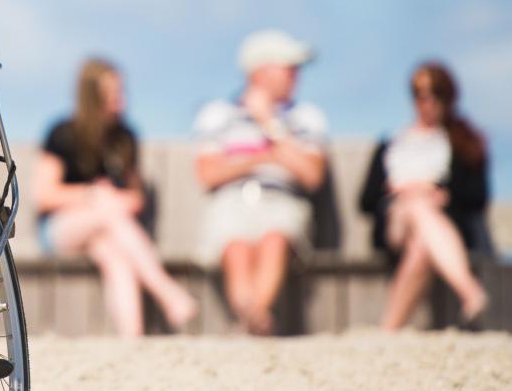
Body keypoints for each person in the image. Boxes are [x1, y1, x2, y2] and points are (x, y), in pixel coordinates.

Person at [34, 58, 198, 337]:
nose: (120, 100)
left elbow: (136, 198)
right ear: (91, 96)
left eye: (121, 92)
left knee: (112, 254)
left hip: (109, 231)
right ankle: (168, 292)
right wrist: (92, 195)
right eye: (111, 93)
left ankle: (131, 340)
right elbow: (45, 195)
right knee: (106, 209)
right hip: (60, 230)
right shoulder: (63, 133)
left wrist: (112, 200)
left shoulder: (125, 137)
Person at [193, 30, 327, 336]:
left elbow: (312, 175)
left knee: (275, 239)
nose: (297, 75)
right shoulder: (218, 114)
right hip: (231, 201)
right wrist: (266, 158)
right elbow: (207, 175)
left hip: (283, 201)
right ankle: (256, 319)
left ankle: (252, 319)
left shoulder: (306, 116)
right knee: (236, 246)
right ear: (260, 71)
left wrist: (269, 123)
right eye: (289, 67)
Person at [358, 61, 491, 330]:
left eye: (436, 95)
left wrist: (443, 194)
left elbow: (477, 196)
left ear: (448, 97)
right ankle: (469, 290)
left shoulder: (463, 141)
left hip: (438, 224)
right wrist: (402, 191)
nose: (428, 103)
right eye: (420, 95)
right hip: (395, 222)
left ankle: (388, 329)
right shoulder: (391, 143)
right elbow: (366, 200)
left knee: (421, 246)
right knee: (416, 205)